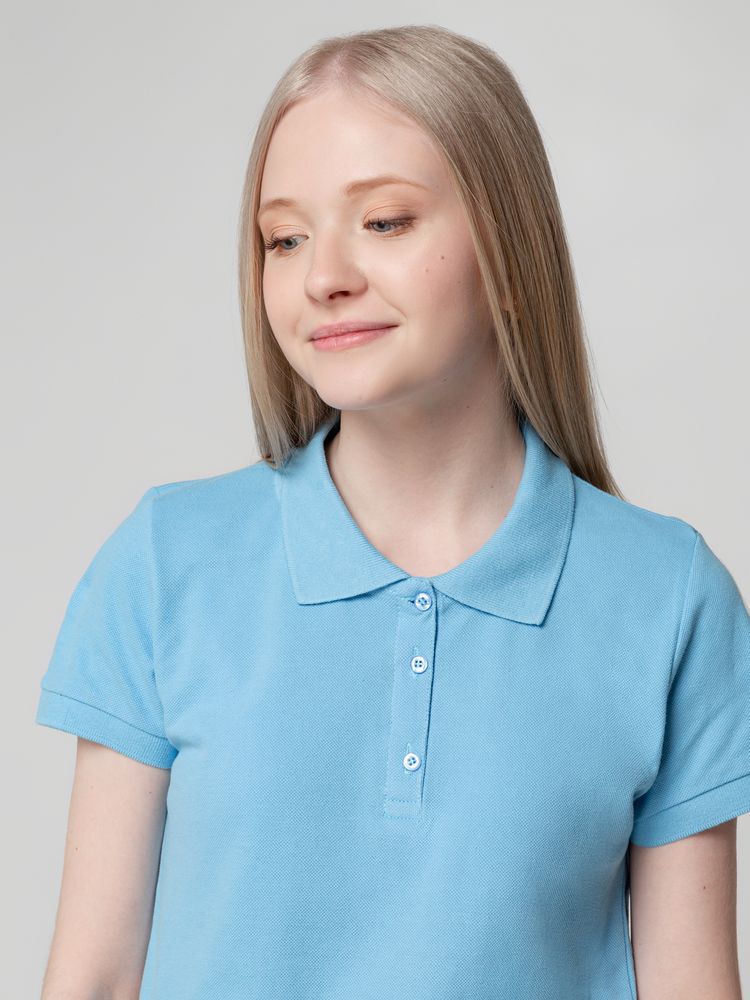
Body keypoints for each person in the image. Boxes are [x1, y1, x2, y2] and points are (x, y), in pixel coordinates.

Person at [35, 23, 749, 1000]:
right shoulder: (166, 563)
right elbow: (93, 979)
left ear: (508, 248)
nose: (322, 275)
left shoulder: (669, 597)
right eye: (284, 238)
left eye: (384, 221)